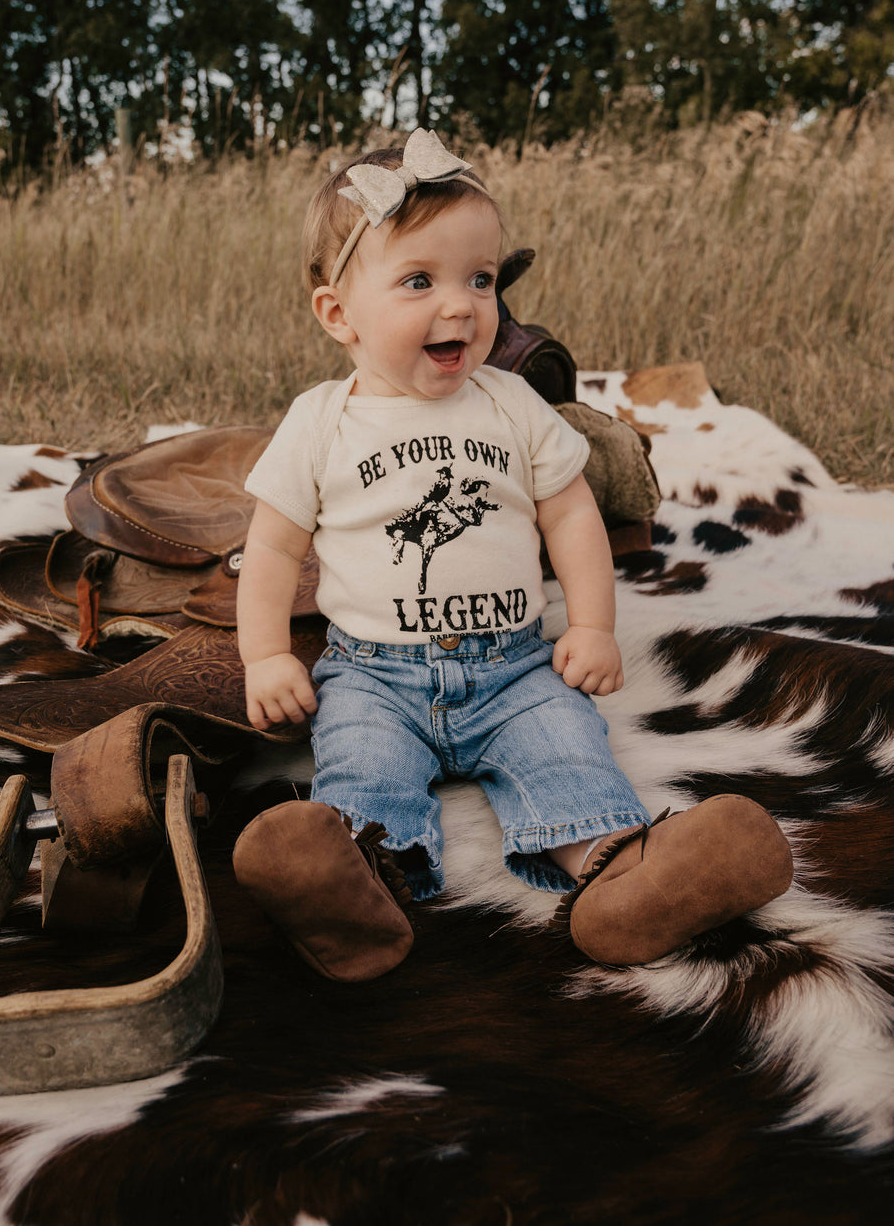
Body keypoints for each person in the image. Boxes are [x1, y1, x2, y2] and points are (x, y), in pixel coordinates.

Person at [232, 130, 792, 979]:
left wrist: (595, 625)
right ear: (338, 314)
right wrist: (266, 653)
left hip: (515, 668)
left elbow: (571, 517)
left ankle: (623, 877)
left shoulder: (512, 402)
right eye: (420, 280)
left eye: (481, 279)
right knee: (363, 767)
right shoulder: (320, 420)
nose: (461, 305)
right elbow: (271, 546)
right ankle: (359, 886)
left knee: (566, 749)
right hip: (373, 676)